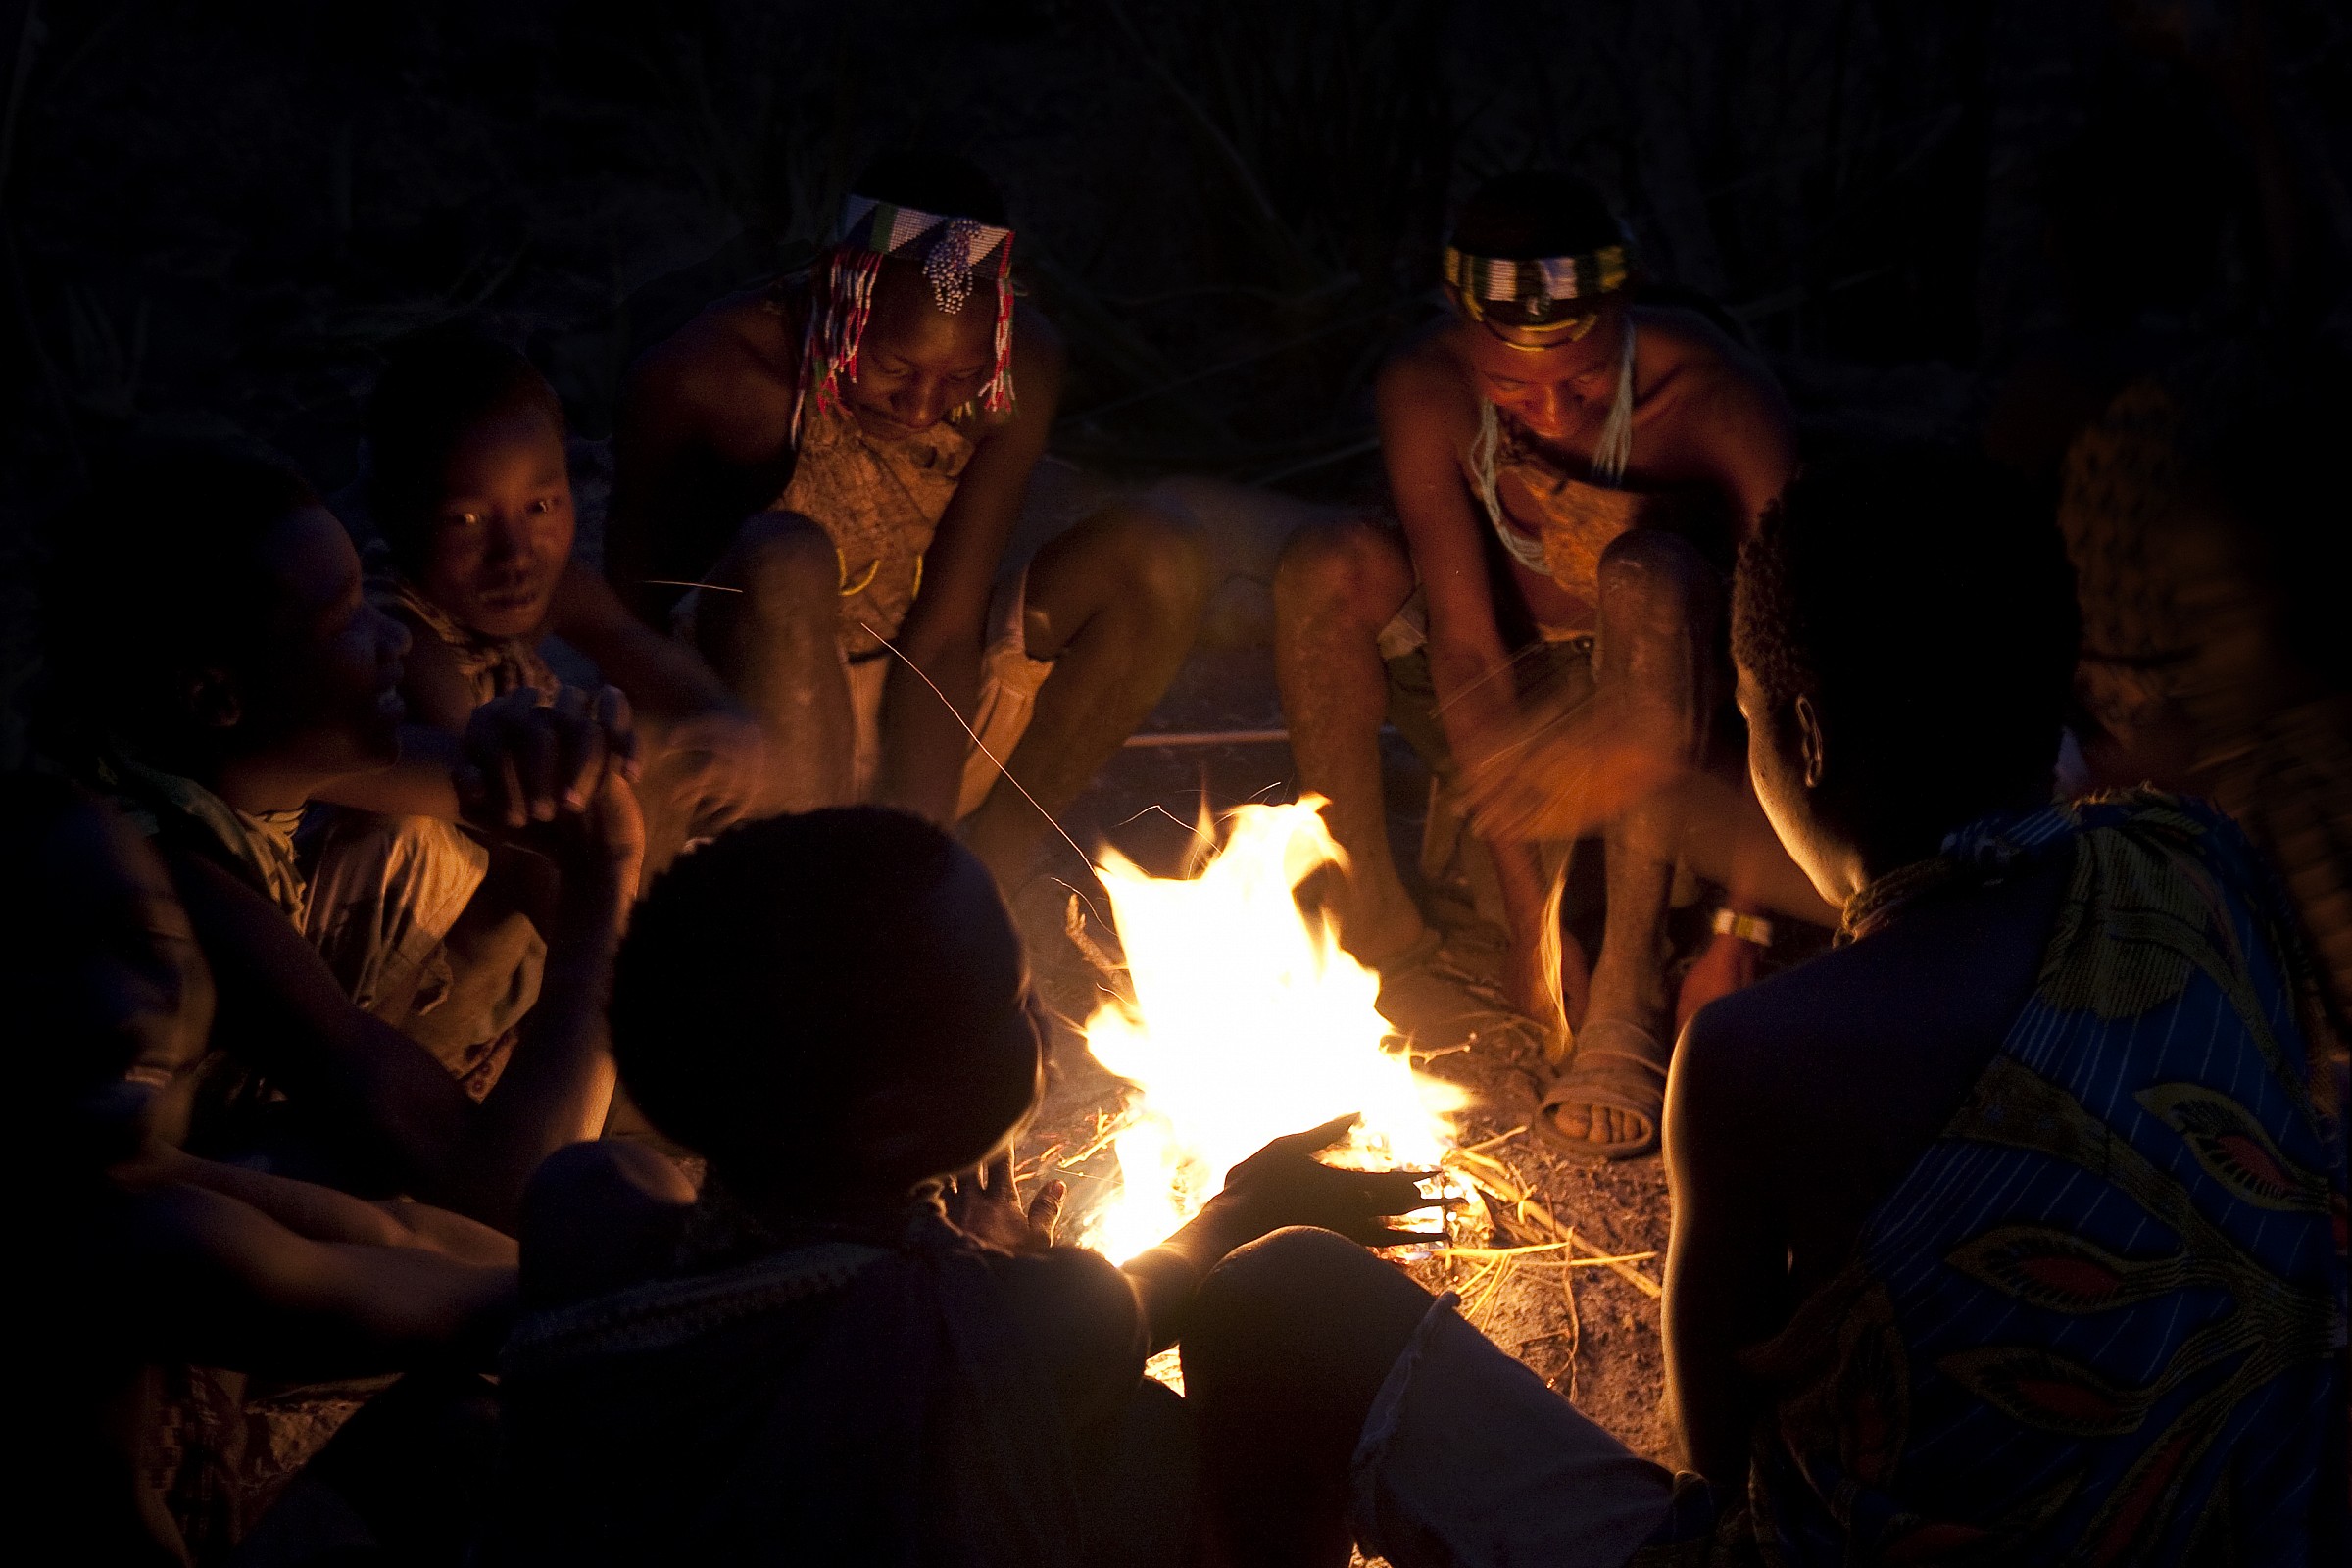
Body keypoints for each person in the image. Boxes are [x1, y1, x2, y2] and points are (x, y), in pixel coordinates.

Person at [1181, 452, 2348, 1567]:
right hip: (2255, 1523)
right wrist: (1663, 790)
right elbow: (1959, 871)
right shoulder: (2191, 860)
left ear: (1800, 738)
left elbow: (1727, 1455)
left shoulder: (1757, 1057)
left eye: (1744, 721)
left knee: (1278, 1296)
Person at [489, 808, 1432, 1566]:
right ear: (894, 1120)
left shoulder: (587, 1217)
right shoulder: (1000, 1321)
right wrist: (1246, 1205)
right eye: (1016, 1005)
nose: (1050, 1026)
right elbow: (1155, 1287)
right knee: (1210, 1381)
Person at [1274, 170, 1830, 1160]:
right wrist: (1532, 928)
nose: (1553, 411)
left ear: (1621, 315)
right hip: (1535, 719)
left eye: (1579, 381)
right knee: (1325, 567)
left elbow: (1793, 667)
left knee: (1647, 568)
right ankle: (1380, 934)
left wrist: (1739, 928)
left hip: (1680, 718)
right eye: (1512, 389)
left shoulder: (1714, 398)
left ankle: (1627, 1000)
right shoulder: (1425, 390)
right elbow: (1467, 642)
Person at [37, 440, 642, 1228]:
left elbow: (507, 789)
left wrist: (546, 749)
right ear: (217, 695)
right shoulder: (182, 893)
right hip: (156, 1244)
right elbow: (508, 1188)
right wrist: (612, 877)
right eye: (345, 620)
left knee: (423, 841)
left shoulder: (219, 760)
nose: (394, 638)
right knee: (371, 1187)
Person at [609, 151, 1210, 886]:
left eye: (958, 378)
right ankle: (811, 895)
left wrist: (920, 864)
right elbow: (629, 620)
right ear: (837, 289)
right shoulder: (710, 374)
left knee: (1160, 551)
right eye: (894, 368)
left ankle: (988, 868)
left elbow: (949, 628)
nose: (925, 408)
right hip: (753, 732)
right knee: (784, 556)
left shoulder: (1017, 364)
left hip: (929, 712)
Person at [11, 775, 517, 1565]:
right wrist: (608, 880)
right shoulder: (139, 1242)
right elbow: (503, 1304)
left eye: (146, 946)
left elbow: (402, 1235)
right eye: (29, 968)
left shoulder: (128, 1171)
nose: (116, 1007)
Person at [362, 320, 767, 876]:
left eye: (542, 506)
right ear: (392, 516)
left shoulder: (554, 586)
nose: (516, 552)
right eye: (468, 519)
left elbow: (636, 648)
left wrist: (722, 722)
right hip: (476, 883)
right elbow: (495, 793)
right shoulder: (403, 633)